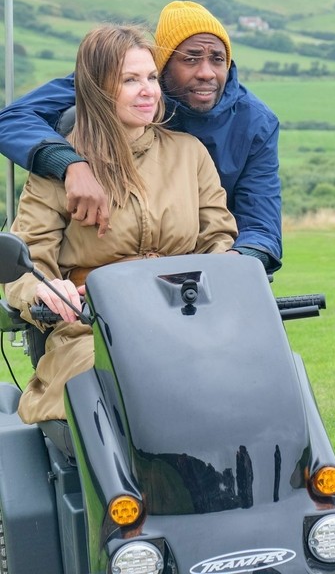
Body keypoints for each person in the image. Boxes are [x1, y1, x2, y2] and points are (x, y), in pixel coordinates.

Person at [3, 24, 238, 425]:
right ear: (96, 89)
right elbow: (27, 263)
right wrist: (48, 289)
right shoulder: (56, 168)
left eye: (150, 77)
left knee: (253, 373)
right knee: (120, 384)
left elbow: (218, 238)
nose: (148, 90)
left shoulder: (190, 154)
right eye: (130, 80)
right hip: (90, 331)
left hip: (185, 319)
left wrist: (232, 275)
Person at [0, 1, 282, 273]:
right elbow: (13, 119)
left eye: (218, 59)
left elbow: (258, 226)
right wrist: (70, 165)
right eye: (191, 59)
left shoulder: (251, 125)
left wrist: (230, 267)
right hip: (93, 305)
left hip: (190, 293)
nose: (206, 73)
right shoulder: (109, 79)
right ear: (164, 66)